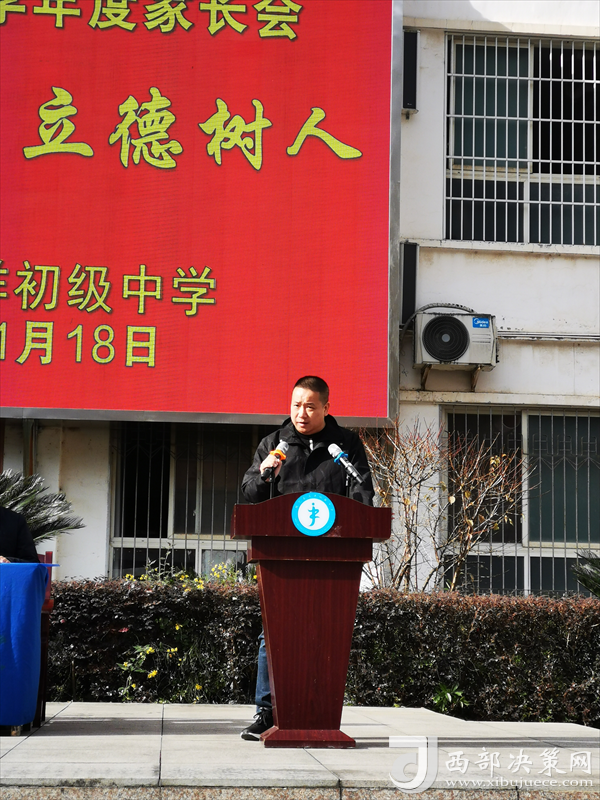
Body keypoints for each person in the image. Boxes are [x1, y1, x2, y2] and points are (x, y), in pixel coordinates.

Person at [240, 375, 374, 740]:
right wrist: (266, 473)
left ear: (326, 408)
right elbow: (250, 495)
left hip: (331, 560)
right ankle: (267, 712)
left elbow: (363, 494)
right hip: (282, 558)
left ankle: (320, 715)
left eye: (310, 406)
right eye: (296, 405)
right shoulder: (274, 444)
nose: (302, 413)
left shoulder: (345, 445)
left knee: (326, 633)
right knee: (274, 634)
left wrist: (357, 520)